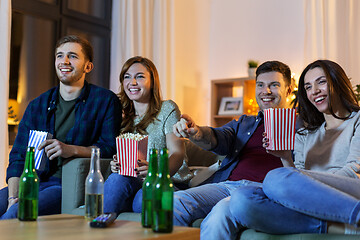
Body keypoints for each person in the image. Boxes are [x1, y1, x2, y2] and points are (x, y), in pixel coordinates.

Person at [202, 59, 360, 239]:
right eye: (308, 87)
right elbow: (296, 178)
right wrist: (285, 157)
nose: (314, 91)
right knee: (241, 200)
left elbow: (353, 173)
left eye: (321, 82)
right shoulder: (306, 132)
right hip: (310, 201)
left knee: (274, 177)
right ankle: (335, 226)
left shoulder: (357, 121)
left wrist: (302, 182)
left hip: (349, 191)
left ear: (337, 82)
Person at [0, 35, 122, 219]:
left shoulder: (105, 101)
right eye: (60, 55)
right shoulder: (37, 105)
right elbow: (18, 156)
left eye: (72, 56)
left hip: (66, 186)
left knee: (15, 216)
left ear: (88, 66)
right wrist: (12, 197)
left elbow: (109, 148)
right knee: (12, 209)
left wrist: (70, 150)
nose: (64, 61)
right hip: (33, 181)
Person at [172, 61, 293, 227]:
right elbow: (219, 137)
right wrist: (197, 131)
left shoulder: (303, 126)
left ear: (288, 89)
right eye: (260, 85)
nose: (266, 91)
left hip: (263, 190)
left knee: (220, 214)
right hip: (227, 186)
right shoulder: (245, 123)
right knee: (176, 202)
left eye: (274, 85)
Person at [103, 56, 186, 215]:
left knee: (141, 201)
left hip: (164, 180)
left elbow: (178, 152)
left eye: (139, 76)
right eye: (127, 77)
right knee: (116, 179)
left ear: (152, 81)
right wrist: (116, 164)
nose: (132, 82)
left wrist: (156, 170)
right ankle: (98, 228)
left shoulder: (167, 109)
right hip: (131, 181)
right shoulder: (121, 116)